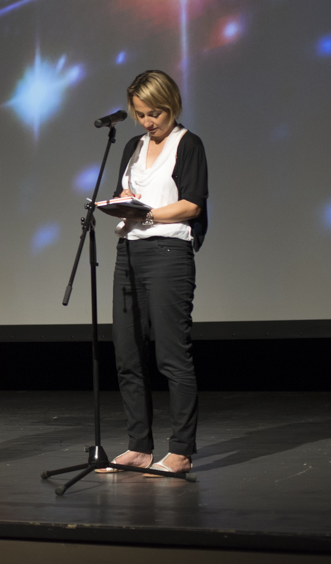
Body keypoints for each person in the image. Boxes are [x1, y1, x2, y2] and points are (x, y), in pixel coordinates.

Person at [102, 70, 208, 476]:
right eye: (141, 114)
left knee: (171, 355)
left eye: (155, 113)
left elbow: (191, 204)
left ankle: (180, 451)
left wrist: (146, 214)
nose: (148, 121)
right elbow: (126, 192)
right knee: (127, 354)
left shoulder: (188, 144)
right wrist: (123, 200)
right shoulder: (133, 146)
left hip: (168, 253)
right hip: (128, 252)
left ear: (172, 105)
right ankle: (139, 446)